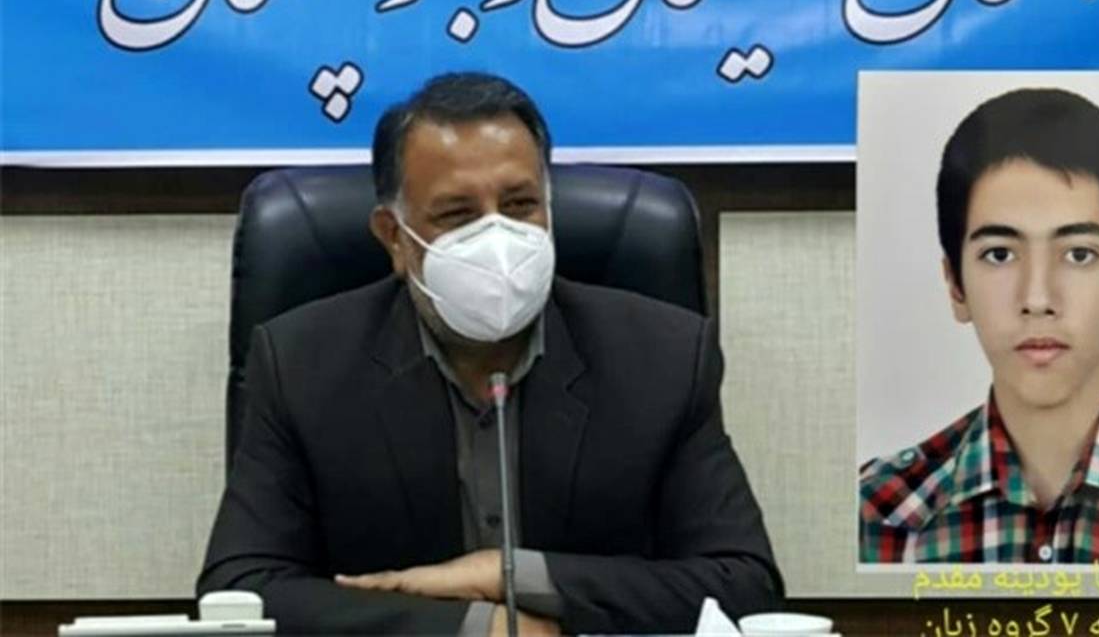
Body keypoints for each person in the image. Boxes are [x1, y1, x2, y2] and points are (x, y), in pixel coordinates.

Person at [199, 72, 782, 633]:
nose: (497, 238)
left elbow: (743, 584)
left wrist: (509, 574)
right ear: (394, 237)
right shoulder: (301, 363)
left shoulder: (663, 357)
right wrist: (478, 625)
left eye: (521, 204)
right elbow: (241, 591)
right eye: (457, 215)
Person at [859, 88, 1099, 564]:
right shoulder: (877, 515)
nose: (1038, 299)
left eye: (1078, 254)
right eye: (1000, 254)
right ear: (955, 285)